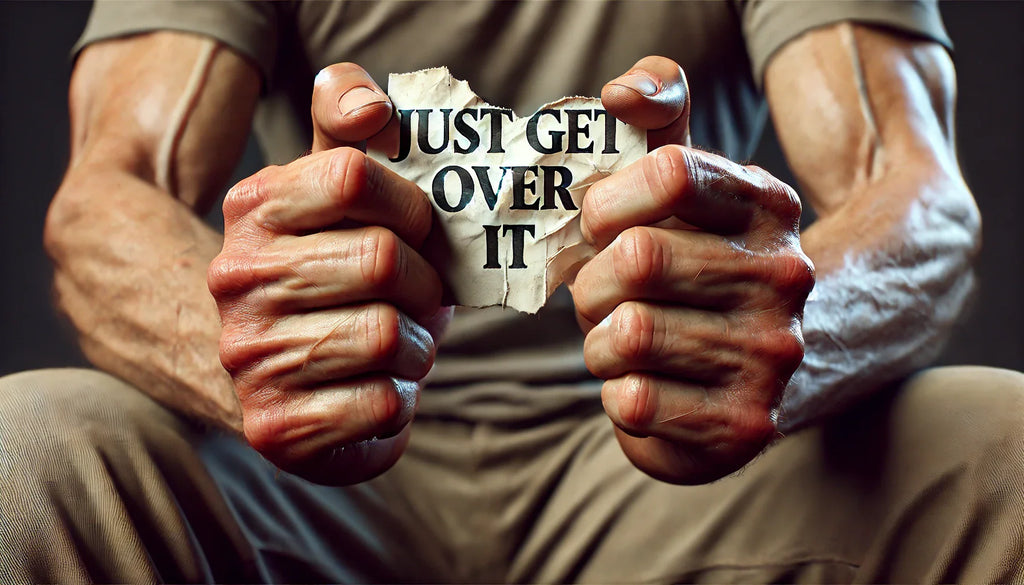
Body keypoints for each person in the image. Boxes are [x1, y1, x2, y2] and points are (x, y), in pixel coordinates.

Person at [2, 0, 1023, 582]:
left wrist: (790, 330)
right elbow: (107, 198)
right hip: (319, 482)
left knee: (1005, 444)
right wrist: (252, 351)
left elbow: (919, 196)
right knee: (24, 450)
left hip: (659, 475)